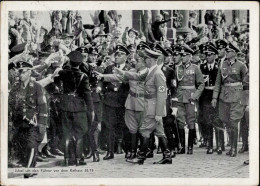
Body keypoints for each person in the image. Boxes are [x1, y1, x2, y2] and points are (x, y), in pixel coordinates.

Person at [114, 48, 172, 165]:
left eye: (145, 59)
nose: (144, 61)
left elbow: (162, 94)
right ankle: (167, 156)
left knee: (145, 131)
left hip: (154, 106)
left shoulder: (157, 73)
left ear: (151, 60)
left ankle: (140, 157)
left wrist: (158, 113)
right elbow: (137, 76)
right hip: (150, 105)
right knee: (160, 132)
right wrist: (123, 73)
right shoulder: (151, 71)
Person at [53, 51, 94, 166]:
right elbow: (87, 94)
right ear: (80, 64)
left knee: (67, 132)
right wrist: (91, 109)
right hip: (79, 107)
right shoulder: (83, 76)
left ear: (70, 62)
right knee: (80, 132)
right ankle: (78, 159)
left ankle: (66, 159)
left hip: (65, 105)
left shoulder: (63, 73)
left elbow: (55, 79)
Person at [9, 61, 48, 178]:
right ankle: (31, 167)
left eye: (23, 72)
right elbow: (10, 104)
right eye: (19, 72)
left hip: (32, 122)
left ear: (30, 72)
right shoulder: (15, 87)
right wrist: (10, 120)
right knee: (23, 146)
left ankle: (28, 170)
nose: (21, 75)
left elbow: (43, 106)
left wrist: (42, 124)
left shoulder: (37, 87)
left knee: (31, 145)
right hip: (19, 122)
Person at [212, 42, 248, 157]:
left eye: (228, 51)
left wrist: (245, 100)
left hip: (237, 97)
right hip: (224, 97)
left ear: (234, 53)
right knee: (225, 120)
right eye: (226, 51)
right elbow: (218, 82)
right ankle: (231, 146)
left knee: (233, 122)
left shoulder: (241, 66)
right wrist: (214, 97)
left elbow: (246, 84)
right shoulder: (222, 64)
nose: (226, 53)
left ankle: (233, 148)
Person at [102, 44, 131, 160]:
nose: (117, 57)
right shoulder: (109, 68)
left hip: (124, 101)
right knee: (109, 127)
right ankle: (110, 151)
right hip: (110, 101)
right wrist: (101, 89)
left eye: (120, 55)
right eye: (116, 54)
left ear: (126, 57)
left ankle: (128, 150)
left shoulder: (130, 69)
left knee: (125, 126)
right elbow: (102, 81)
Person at [175, 46, 205, 155]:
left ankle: (190, 146)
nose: (182, 57)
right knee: (180, 121)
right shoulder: (178, 68)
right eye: (181, 55)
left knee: (191, 121)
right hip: (180, 97)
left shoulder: (195, 68)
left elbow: (201, 84)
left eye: (184, 55)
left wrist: (195, 95)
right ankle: (182, 146)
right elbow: (176, 84)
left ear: (189, 56)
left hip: (190, 97)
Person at [200, 42, 222, 154]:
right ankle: (209, 145)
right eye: (206, 55)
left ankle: (219, 145)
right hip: (205, 96)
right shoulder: (201, 67)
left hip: (216, 96)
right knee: (207, 121)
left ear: (215, 55)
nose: (208, 57)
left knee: (217, 120)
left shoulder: (219, 67)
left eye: (210, 55)